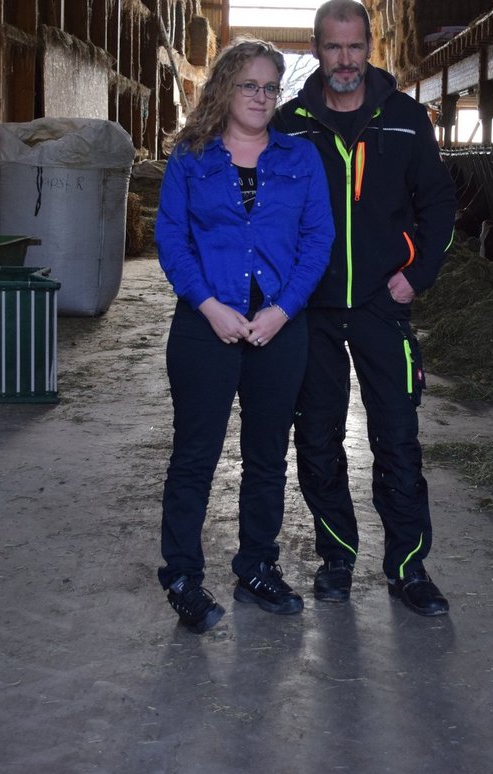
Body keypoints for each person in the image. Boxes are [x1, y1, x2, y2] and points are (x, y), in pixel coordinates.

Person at [274, 0, 458, 617]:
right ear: (317, 48)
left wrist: (418, 274)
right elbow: (269, 215)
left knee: (398, 439)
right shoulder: (291, 123)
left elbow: (439, 207)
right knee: (318, 439)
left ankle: (409, 569)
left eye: (355, 47)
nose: (345, 60)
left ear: (370, 47)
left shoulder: (407, 119)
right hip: (313, 310)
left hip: (384, 306)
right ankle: (336, 560)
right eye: (333, 47)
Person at [154, 39, 334, 634]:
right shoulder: (190, 157)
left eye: (270, 87)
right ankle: (182, 576)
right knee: (195, 455)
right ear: (225, 89)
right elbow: (172, 243)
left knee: (267, 455)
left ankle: (256, 563)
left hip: (278, 330)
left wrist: (283, 310)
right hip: (207, 326)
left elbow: (317, 242)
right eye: (249, 85)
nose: (261, 97)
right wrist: (209, 306)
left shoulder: (300, 158)